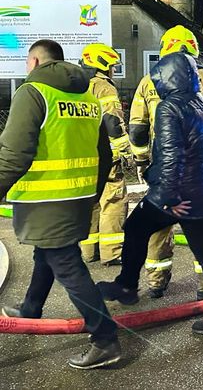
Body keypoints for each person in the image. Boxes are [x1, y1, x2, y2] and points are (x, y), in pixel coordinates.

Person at [98, 50, 203, 335]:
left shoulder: (169, 108)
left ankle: (126, 285)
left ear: (168, 77)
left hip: (174, 194)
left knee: (136, 227)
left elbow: (171, 155)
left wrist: (170, 197)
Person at [0, 39, 120, 369]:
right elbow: (104, 153)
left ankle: (105, 338)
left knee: (65, 262)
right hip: (78, 196)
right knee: (48, 251)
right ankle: (30, 310)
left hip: (45, 198)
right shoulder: (88, 95)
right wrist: (92, 194)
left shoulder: (33, 92)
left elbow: (14, 154)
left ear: (35, 62)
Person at [128, 25, 203, 300]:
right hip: (201, 172)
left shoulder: (147, 82)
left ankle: (156, 281)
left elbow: (138, 128)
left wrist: (142, 163)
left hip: (163, 169)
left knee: (159, 227)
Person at [79, 43, 130, 266]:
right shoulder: (104, 88)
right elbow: (112, 122)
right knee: (113, 201)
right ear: (102, 65)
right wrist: (125, 151)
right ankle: (112, 252)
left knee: (91, 204)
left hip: (83, 155)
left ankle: (89, 252)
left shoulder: (77, 87)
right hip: (106, 155)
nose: (113, 71)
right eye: (111, 66)